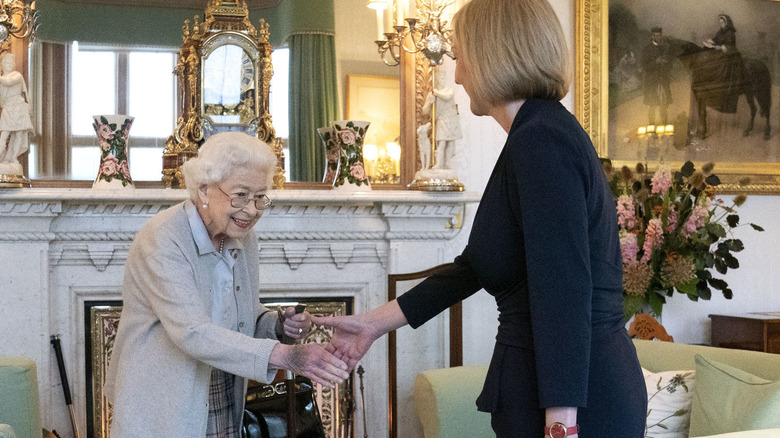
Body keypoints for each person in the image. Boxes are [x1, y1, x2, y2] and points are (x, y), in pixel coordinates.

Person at [315, 0, 647, 437]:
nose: (458, 74)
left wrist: (561, 422)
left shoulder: (541, 139)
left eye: (462, 57)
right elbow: (475, 266)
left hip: (577, 401)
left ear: (495, 55)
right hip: (546, 387)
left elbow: (563, 285)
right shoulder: (534, 134)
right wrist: (373, 324)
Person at [104, 132, 349, 437]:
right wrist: (286, 355)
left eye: (260, 197)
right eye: (241, 195)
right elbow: (192, 331)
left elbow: (243, 315)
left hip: (222, 383)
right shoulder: (163, 237)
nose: (252, 210)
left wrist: (277, 325)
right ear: (204, 190)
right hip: (165, 394)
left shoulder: (243, 238)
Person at [421, 67, 462, 169]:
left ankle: (447, 162)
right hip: (442, 120)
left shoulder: (448, 91)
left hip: (452, 119)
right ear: (437, 79)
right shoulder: (432, 94)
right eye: (441, 78)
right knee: (442, 142)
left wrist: (437, 93)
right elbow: (424, 111)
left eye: (444, 78)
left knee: (451, 143)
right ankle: (439, 164)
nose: (443, 80)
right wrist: (430, 103)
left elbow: (447, 97)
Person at [702, 14, 743, 113]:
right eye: (720, 23)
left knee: (722, 65)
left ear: (726, 23)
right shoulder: (721, 31)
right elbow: (716, 39)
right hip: (721, 52)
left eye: (722, 22)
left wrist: (719, 47)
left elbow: (730, 46)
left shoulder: (730, 33)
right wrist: (709, 42)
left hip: (730, 55)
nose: (720, 24)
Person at [0, 53, 34, 164]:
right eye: (6, 63)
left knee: (19, 133)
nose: (8, 64)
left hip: (19, 107)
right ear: (2, 65)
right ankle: (2, 156)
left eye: (10, 62)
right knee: (4, 133)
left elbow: (9, 82)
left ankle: (13, 157)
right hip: (8, 108)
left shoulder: (17, 75)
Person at [640, 27, 674, 125]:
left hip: (663, 81)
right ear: (652, 36)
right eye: (656, 35)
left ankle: (664, 126)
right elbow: (644, 66)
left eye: (659, 35)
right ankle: (652, 128)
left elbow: (670, 65)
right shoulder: (647, 50)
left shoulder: (665, 48)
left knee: (664, 105)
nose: (658, 37)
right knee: (652, 106)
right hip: (652, 82)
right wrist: (656, 62)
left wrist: (666, 63)